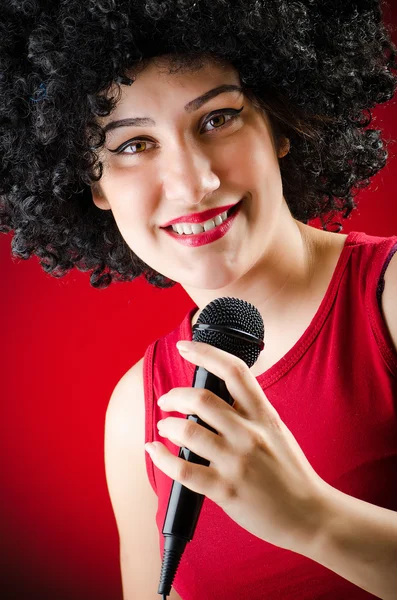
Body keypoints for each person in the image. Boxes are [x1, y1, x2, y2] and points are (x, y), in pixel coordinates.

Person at [1, 1, 397, 599]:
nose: (193, 183)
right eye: (133, 145)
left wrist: (312, 518)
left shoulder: (388, 299)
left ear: (279, 124)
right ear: (91, 184)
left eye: (217, 119)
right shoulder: (137, 409)